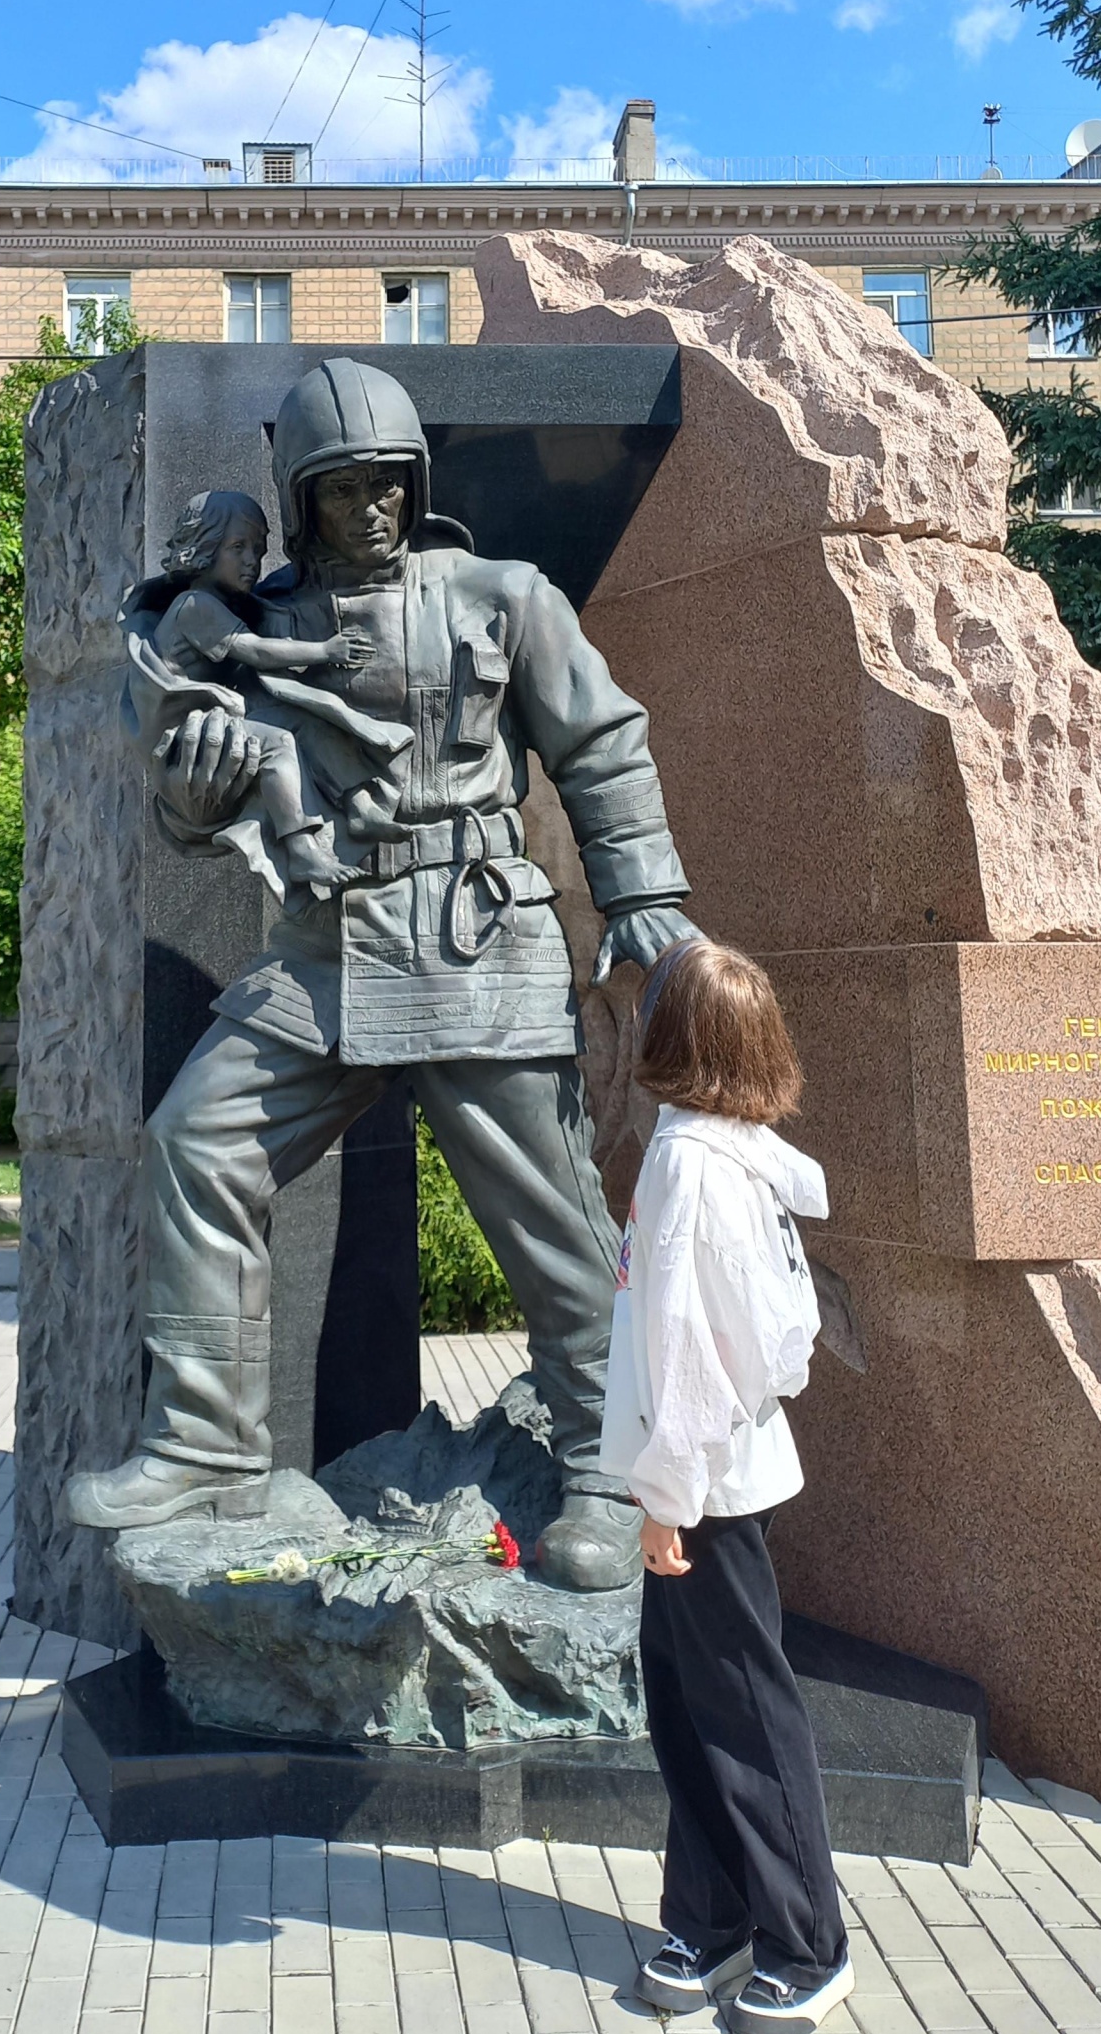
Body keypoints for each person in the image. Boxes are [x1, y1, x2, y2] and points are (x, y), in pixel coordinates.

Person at [68, 358, 699, 1592]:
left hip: (474, 938)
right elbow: (193, 811)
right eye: (339, 487)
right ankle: (206, 1446)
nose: (368, 509)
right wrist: (189, 792)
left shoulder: (503, 597)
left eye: (386, 484)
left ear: (418, 484)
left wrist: (644, 896)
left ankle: (609, 1471)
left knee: (555, 1225)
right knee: (197, 1141)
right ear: (298, 501)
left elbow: (601, 739)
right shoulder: (250, 627)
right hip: (325, 952)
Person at [600, 937, 853, 2034]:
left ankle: (807, 1942)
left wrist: (668, 1497)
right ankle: (710, 1915)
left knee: (746, 1715)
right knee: (697, 1706)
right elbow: (780, 1338)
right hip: (712, 1479)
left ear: (675, 1037)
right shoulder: (727, 1151)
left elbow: (694, 1352)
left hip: (705, 1492)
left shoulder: (695, 1167)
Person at [125, 487, 396, 898]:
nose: (252, 560)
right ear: (204, 548)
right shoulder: (194, 604)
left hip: (223, 714)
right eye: (238, 547)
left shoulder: (220, 602)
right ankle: (301, 848)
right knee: (278, 744)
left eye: (259, 548)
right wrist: (325, 650)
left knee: (306, 719)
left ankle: (358, 806)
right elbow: (253, 650)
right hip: (190, 738)